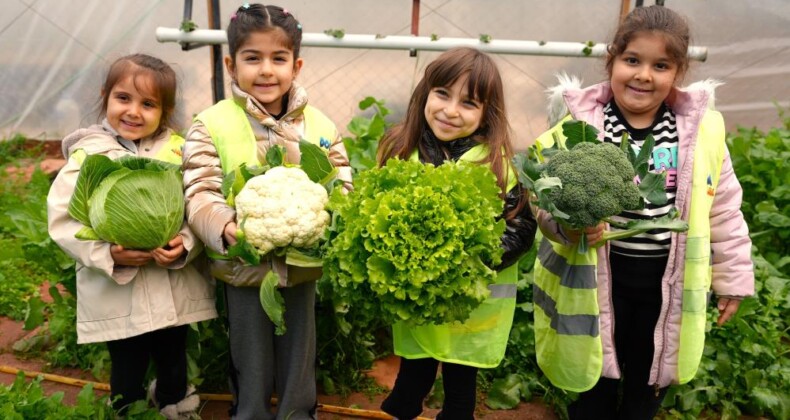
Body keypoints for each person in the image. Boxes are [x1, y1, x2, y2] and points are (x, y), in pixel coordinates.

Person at [532, 5, 755, 419]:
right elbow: (541, 199)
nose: (643, 75)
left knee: (647, 382)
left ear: (678, 73)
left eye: (661, 65)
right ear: (612, 60)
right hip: (598, 284)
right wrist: (568, 226)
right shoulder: (577, 126)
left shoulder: (699, 133)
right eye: (632, 60)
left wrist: (732, 279)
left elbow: (724, 210)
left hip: (664, 288)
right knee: (592, 381)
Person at [181, 3, 351, 419]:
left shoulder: (322, 127)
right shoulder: (211, 124)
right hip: (243, 267)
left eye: (278, 59)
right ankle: (250, 412)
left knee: (300, 354)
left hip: (302, 266)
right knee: (250, 356)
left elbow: (343, 182)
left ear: (296, 65)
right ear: (231, 63)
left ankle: (298, 413)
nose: (266, 71)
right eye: (252, 58)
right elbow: (199, 190)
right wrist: (225, 226)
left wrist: (334, 218)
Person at [47, 53, 218, 419]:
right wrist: (108, 252)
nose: (134, 112)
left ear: (166, 110)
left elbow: (198, 205)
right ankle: (127, 408)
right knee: (127, 359)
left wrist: (186, 242)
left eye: (148, 104)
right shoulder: (87, 156)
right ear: (105, 96)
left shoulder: (178, 153)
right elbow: (63, 220)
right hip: (117, 289)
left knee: (174, 352)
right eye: (123, 98)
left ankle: (175, 403)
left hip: (172, 285)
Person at [376, 47, 537, 420]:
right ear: (425, 95)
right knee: (411, 380)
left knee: (460, 392)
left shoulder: (495, 164)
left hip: (472, 310)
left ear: (486, 114)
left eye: (468, 103)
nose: (450, 111)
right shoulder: (401, 150)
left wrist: (467, 264)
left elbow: (522, 227)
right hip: (418, 304)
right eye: (443, 94)